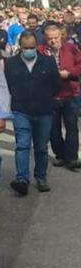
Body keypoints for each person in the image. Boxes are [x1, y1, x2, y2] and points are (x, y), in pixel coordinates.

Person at [4, 31, 62, 195]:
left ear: (36, 46)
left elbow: (56, 85)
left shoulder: (48, 62)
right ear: (20, 47)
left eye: (32, 47)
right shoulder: (11, 64)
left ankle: (41, 177)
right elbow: (6, 85)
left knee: (41, 147)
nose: (29, 50)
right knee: (22, 146)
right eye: (25, 47)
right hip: (21, 111)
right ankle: (22, 178)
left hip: (44, 111)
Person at [41, 24, 81, 171]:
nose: (53, 41)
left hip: (70, 93)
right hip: (50, 95)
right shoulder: (41, 51)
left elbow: (79, 65)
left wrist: (69, 73)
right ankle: (60, 155)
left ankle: (72, 158)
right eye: (50, 38)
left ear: (61, 36)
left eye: (55, 38)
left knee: (71, 127)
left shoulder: (70, 49)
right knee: (54, 129)